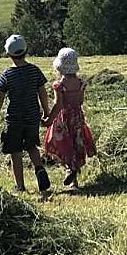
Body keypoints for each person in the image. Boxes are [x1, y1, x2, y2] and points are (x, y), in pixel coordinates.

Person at [0, 34, 52, 194]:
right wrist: (46, 112)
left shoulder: (7, 74)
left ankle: (20, 186)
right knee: (32, 146)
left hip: (14, 119)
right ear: (26, 51)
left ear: (8, 54)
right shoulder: (34, 70)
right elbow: (43, 93)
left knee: (15, 152)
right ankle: (39, 169)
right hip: (32, 116)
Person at [44, 48, 97, 188]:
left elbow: (58, 104)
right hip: (77, 117)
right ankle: (74, 176)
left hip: (63, 119)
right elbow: (80, 101)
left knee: (62, 144)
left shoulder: (59, 85)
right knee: (75, 143)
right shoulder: (81, 83)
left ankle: (69, 169)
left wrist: (49, 119)